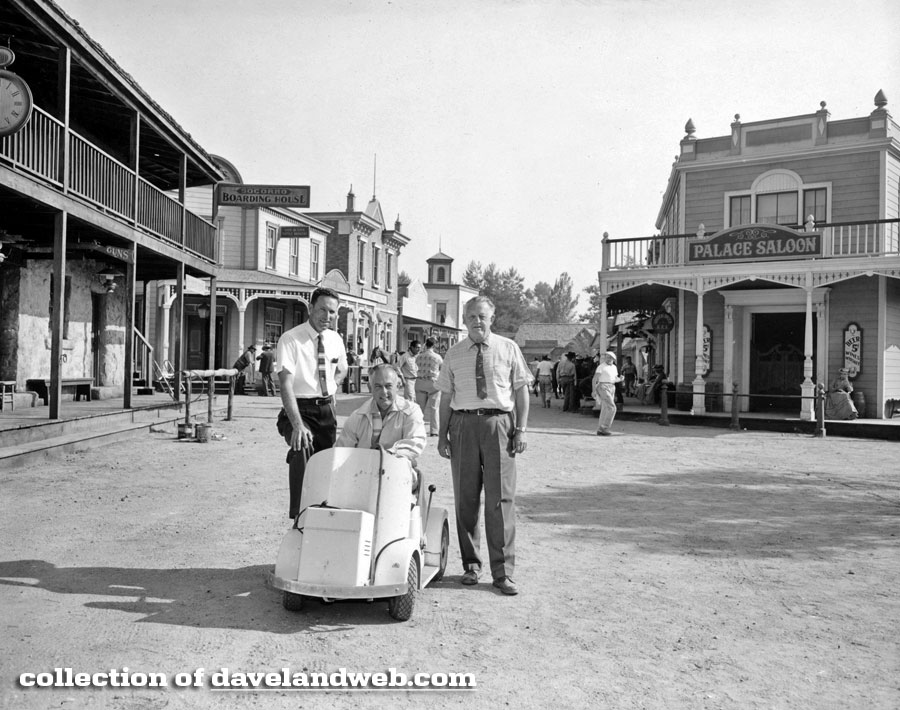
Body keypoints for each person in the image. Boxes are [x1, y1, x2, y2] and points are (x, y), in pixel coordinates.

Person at [436, 296, 532, 596]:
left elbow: (521, 391)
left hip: (499, 426)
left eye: (482, 316)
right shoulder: (453, 353)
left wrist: (521, 429)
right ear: (463, 320)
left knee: (500, 499)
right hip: (463, 425)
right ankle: (471, 566)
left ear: (492, 318)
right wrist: (441, 435)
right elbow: (445, 397)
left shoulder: (508, 348)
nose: (477, 321)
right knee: (466, 498)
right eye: (471, 317)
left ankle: (502, 572)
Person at [275, 287, 348, 519]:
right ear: (310, 309)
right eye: (322, 310)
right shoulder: (290, 339)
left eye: (333, 312)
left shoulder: (336, 339)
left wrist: (333, 387)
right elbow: (285, 385)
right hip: (298, 408)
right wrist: (297, 425)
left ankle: (322, 514)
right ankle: (300, 515)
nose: (327, 316)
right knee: (302, 446)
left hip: (326, 410)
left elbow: (342, 369)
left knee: (326, 462)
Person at [337, 364, 427, 485]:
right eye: (378, 386)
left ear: (398, 386)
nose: (384, 392)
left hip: (397, 474)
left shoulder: (411, 411)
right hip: (362, 474)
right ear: (370, 387)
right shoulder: (357, 416)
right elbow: (342, 449)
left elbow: (415, 442)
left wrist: (387, 455)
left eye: (388, 386)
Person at [415, 338, 443, 436]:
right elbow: (442, 369)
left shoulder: (419, 356)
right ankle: (434, 431)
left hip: (420, 382)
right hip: (433, 383)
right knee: (434, 408)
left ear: (426, 344)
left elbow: (415, 366)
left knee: (419, 408)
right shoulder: (437, 357)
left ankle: (417, 429)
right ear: (434, 346)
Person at [592, 351, 623, 436]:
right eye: (607, 357)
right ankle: (604, 427)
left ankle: (600, 428)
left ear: (614, 359)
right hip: (603, 386)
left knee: (605, 408)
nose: (609, 359)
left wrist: (620, 379)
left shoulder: (614, 367)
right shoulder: (601, 367)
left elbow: (614, 379)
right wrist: (594, 390)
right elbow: (595, 379)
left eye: (610, 357)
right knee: (612, 407)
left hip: (612, 386)